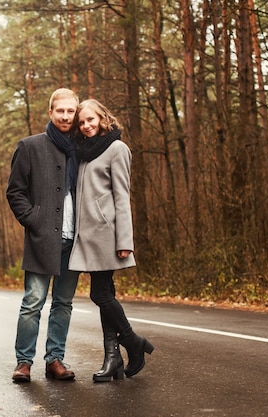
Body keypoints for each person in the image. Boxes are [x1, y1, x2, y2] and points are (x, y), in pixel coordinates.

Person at [69, 98, 154, 382]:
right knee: (105, 294)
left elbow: (121, 196)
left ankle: (132, 343)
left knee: (100, 295)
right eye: (82, 123)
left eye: (90, 120)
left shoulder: (117, 149)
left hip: (107, 235)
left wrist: (124, 240)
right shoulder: (83, 153)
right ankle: (113, 357)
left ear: (103, 117)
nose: (86, 125)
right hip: (87, 235)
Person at [6, 88, 81, 383]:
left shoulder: (82, 148)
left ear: (76, 114)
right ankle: (23, 362)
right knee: (33, 301)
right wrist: (33, 220)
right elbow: (15, 192)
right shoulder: (30, 146)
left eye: (70, 111)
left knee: (63, 303)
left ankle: (55, 360)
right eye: (60, 111)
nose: (65, 116)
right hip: (42, 239)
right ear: (50, 113)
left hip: (74, 241)